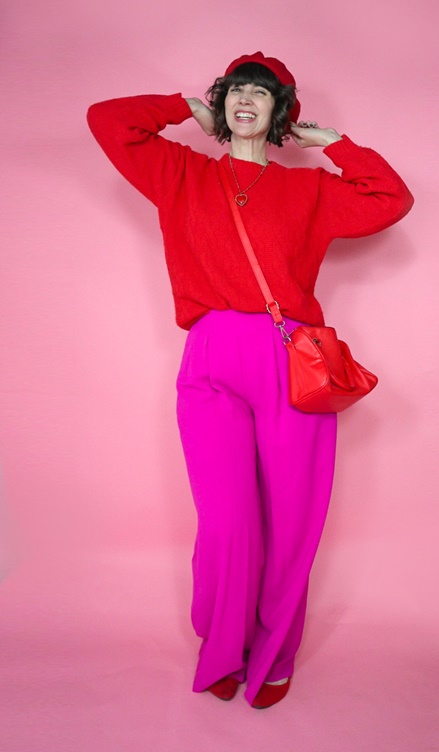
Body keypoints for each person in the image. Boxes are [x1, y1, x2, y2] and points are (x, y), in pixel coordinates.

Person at [86, 51, 414, 709]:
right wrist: (183, 107)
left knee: (292, 519)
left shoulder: (309, 191)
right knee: (227, 522)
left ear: (278, 112)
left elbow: (391, 199)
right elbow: (107, 121)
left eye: (260, 93)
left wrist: (334, 143)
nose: (245, 99)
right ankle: (223, 646)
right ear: (222, 104)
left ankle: (276, 654)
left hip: (289, 361)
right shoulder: (180, 172)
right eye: (235, 89)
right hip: (210, 358)